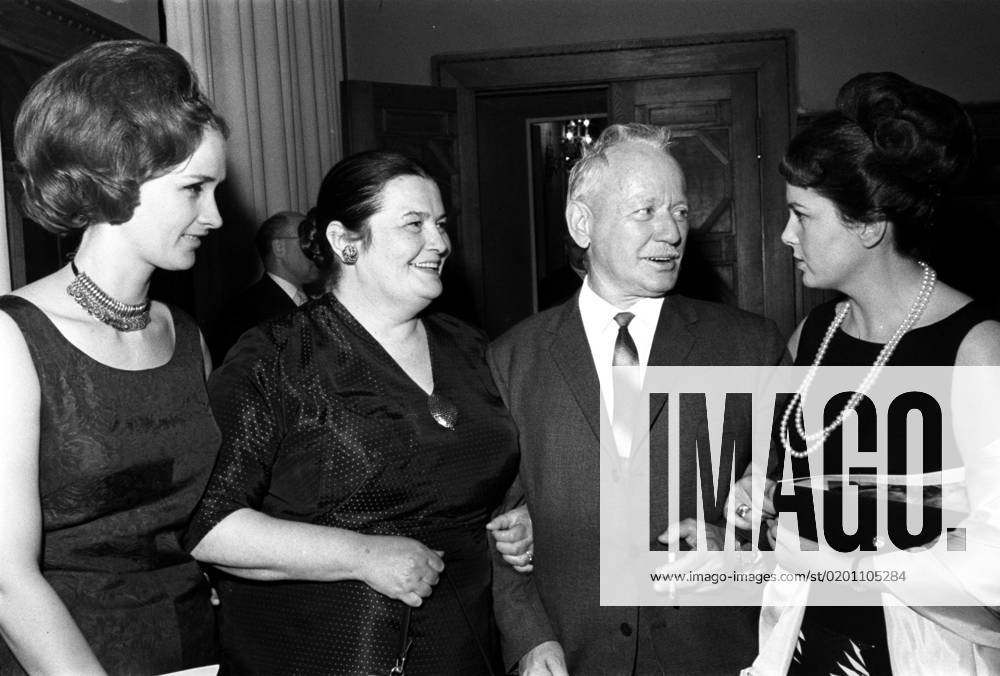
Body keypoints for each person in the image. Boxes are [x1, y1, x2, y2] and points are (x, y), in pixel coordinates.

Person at [185, 150, 532, 675]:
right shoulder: (277, 357)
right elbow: (209, 526)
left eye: (440, 225)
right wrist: (361, 556)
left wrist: (520, 518)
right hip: (322, 654)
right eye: (413, 224)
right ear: (346, 242)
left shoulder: (470, 347)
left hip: (465, 650)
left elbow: (493, 481)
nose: (439, 243)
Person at [488, 123, 786, 675]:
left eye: (679, 211)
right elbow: (495, 522)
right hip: (575, 657)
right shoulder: (512, 358)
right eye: (645, 211)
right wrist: (529, 637)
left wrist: (734, 540)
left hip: (716, 654)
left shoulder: (750, 345)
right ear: (583, 223)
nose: (671, 232)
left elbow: (794, 499)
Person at [737, 72, 1000, 674]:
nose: (785, 235)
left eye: (802, 216)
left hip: (921, 654)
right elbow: (788, 484)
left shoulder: (977, 350)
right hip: (802, 644)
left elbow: (994, 556)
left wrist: (853, 564)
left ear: (869, 226)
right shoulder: (812, 335)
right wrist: (761, 494)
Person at [0, 40, 228, 674]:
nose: (214, 216)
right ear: (117, 178)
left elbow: (209, 521)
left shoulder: (185, 336)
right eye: (195, 189)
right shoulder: (12, 339)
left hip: (198, 653)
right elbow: (6, 583)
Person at [206, 210, 319, 364]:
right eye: (307, 239)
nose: (316, 249)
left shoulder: (319, 305)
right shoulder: (242, 314)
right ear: (279, 247)